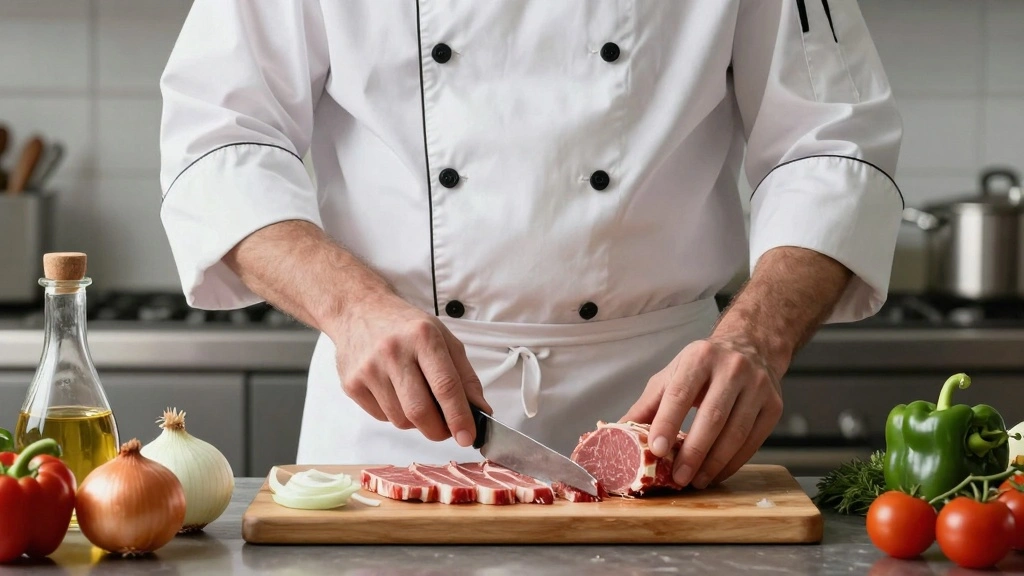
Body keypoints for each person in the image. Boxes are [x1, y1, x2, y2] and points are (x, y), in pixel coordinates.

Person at [158, 1, 902, 489]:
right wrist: (351, 309)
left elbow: (829, 142)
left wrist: (757, 339)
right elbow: (221, 137)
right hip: (395, 422)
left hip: (659, 422)